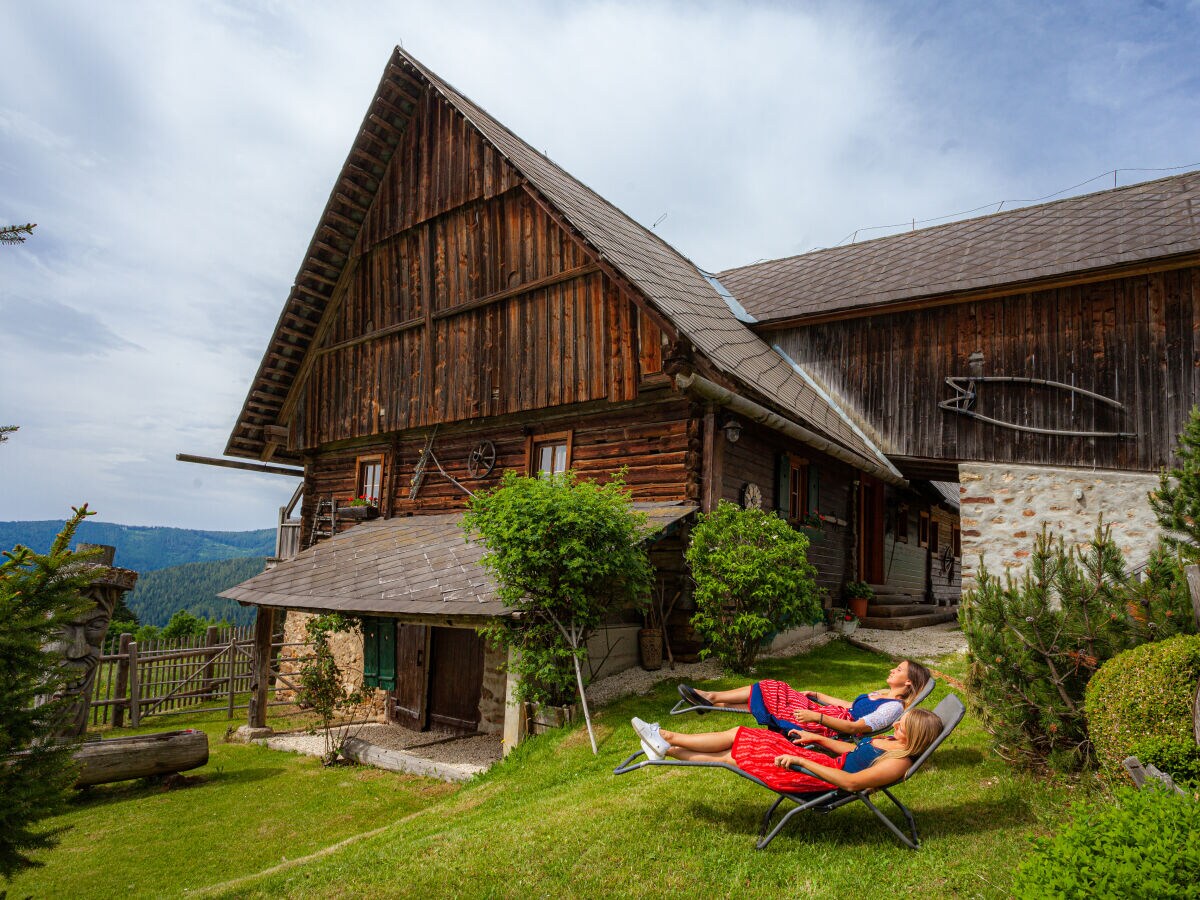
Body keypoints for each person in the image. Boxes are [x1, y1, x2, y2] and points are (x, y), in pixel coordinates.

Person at [631, 707, 943, 793]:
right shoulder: (891, 744)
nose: (897, 723)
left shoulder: (898, 763)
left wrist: (797, 759)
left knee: (735, 755)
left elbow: (849, 782)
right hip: (822, 762)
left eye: (904, 724)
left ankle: (666, 740)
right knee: (742, 736)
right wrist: (817, 738)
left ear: (914, 737)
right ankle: (666, 743)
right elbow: (849, 751)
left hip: (820, 778)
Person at [678, 659, 931, 739]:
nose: (892, 671)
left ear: (908, 682)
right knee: (775, 689)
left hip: (826, 726)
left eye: (898, 670)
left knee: (770, 688)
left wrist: (816, 715)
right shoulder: (884, 694)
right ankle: (709, 702)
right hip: (829, 714)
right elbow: (851, 707)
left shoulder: (892, 709)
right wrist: (818, 696)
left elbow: (855, 727)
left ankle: (710, 698)